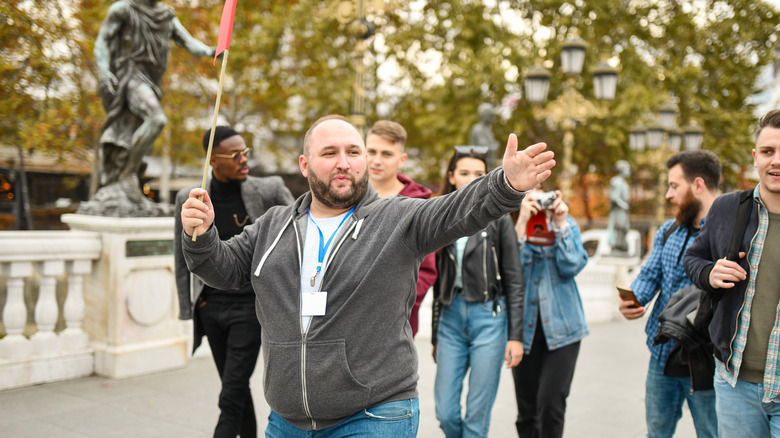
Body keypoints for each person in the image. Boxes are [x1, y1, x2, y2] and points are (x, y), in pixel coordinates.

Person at [180, 115, 555, 436]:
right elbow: (223, 269)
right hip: (286, 420)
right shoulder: (273, 225)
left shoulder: (400, 218)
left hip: (376, 414)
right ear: (305, 165)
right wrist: (201, 236)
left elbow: (458, 210)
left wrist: (505, 185)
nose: (344, 162)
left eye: (353, 152)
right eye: (329, 153)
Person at [174, 126, 294, 438]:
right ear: (213, 161)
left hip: (250, 308)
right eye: (236, 155)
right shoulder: (190, 199)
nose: (245, 160)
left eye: (246, 152)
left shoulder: (268, 190)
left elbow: (298, 231)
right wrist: (188, 309)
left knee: (230, 395)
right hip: (210, 308)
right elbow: (182, 258)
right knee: (235, 390)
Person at [684, 109, 780, 437]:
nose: (776, 161)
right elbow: (694, 257)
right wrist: (710, 273)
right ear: (755, 157)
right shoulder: (728, 207)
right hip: (734, 383)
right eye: (768, 152)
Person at [619, 150, 721, 438]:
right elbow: (650, 275)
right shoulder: (668, 231)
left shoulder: (729, 234)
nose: (668, 194)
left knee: (712, 434)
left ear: (698, 185)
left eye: (674, 186)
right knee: (657, 433)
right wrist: (634, 299)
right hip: (662, 353)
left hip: (706, 360)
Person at [431, 146, 524, 438]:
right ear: (452, 177)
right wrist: (435, 333)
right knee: (445, 412)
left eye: (479, 174)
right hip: (450, 318)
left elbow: (513, 278)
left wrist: (515, 337)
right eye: (464, 173)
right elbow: (437, 280)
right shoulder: (439, 217)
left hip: (489, 318)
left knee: (476, 416)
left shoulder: (499, 219)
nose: (472, 179)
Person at [93, 0, 215, 190]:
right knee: (156, 119)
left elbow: (188, 41)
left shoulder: (166, 15)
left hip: (152, 82)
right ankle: (127, 174)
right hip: (129, 76)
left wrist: (212, 52)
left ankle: (124, 174)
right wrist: (103, 70)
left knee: (134, 129)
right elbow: (102, 40)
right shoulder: (124, 9)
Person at [512, 186, 589, 438]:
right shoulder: (512, 227)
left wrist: (560, 223)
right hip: (524, 332)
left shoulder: (567, 224)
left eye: (540, 194)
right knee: (527, 410)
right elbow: (511, 276)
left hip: (564, 329)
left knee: (551, 406)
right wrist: (522, 222)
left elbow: (572, 266)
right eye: (527, 194)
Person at [366, 120, 436, 337]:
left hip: (396, 325)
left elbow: (427, 270)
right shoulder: (346, 196)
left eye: (387, 154)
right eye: (371, 151)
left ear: (402, 159)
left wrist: (396, 303)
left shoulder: (419, 205)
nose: (377, 160)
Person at [607, 160, 631, 253]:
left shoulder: (624, 182)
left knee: (624, 228)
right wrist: (623, 205)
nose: (629, 171)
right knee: (619, 227)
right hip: (618, 210)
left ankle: (621, 246)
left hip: (622, 210)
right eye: (627, 168)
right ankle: (617, 246)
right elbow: (614, 197)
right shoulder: (616, 181)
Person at [469, 103, 501, 167]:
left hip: (488, 165)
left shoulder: (488, 130)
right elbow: (484, 148)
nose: (493, 118)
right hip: (480, 166)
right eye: (490, 116)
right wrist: (494, 146)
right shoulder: (478, 129)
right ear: (485, 115)